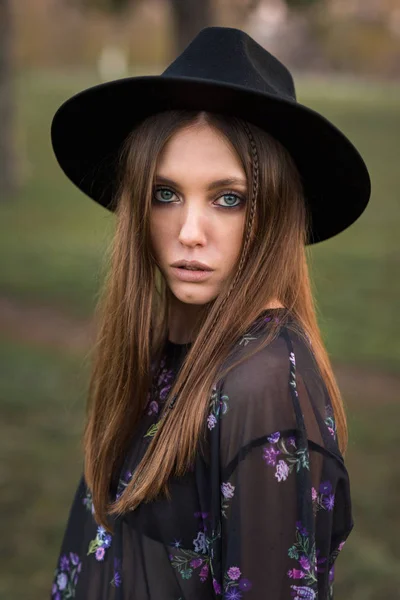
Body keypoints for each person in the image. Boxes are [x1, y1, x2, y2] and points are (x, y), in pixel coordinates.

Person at [49, 26, 371, 600]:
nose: (188, 234)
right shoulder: (169, 345)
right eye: (165, 194)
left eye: (229, 198)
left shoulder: (260, 388)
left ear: (273, 212)